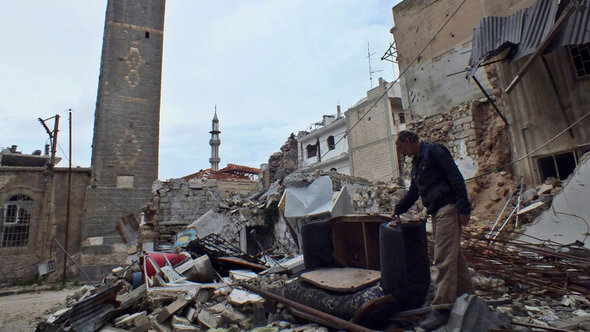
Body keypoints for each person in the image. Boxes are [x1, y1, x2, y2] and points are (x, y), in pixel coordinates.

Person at [392, 130, 474, 331]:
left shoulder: (435, 151)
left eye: (402, 148)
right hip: (436, 212)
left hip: (448, 207)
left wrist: (464, 208)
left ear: (409, 141)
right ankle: (468, 297)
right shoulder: (417, 163)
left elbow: (456, 178)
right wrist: (398, 209)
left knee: (443, 257)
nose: (402, 153)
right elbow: (414, 192)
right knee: (454, 257)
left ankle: (442, 308)